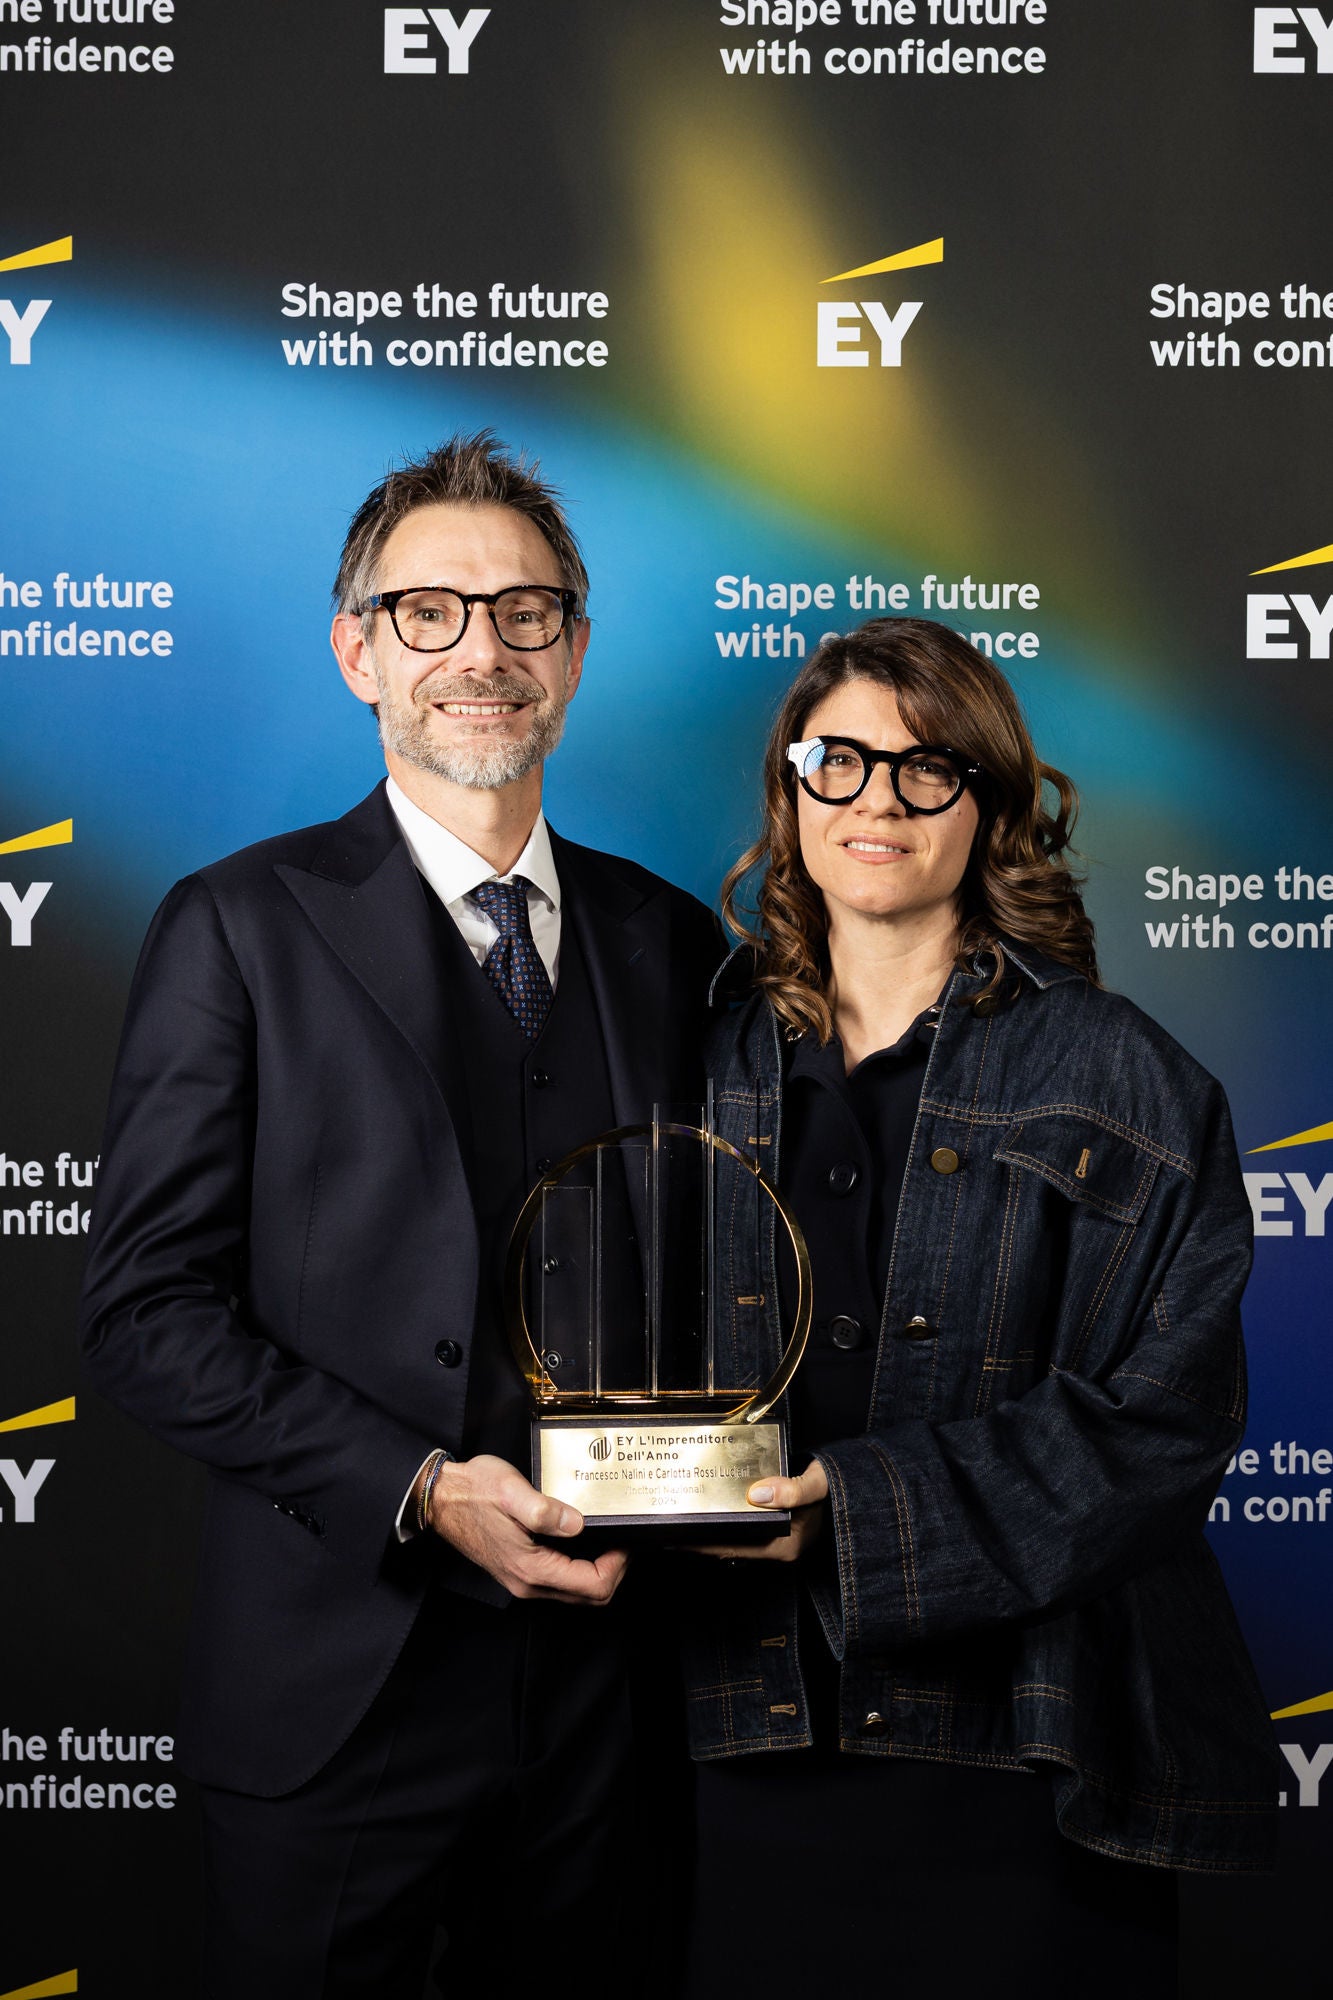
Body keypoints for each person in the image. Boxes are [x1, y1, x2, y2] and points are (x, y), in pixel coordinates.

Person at [79, 433, 721, 1998]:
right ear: (357, 652)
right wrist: (419, 1487)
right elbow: (145, 1316)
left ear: (573, 651)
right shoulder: (237, 926)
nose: (480, 654)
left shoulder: (670, 937)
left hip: (617, 1701)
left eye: (523, 612)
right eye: (429, 613)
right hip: (336, 1698)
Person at [679, 619, 1278, 1997]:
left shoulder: (1127, 1077)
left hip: (1028, 1764)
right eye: (838, 761)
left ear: (990, 803)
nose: (876, 801)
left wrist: (857, 1515)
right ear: (790, 790)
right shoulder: (696, 1062)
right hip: (739, 1742)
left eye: (926, 768)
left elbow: (1166, 1425)